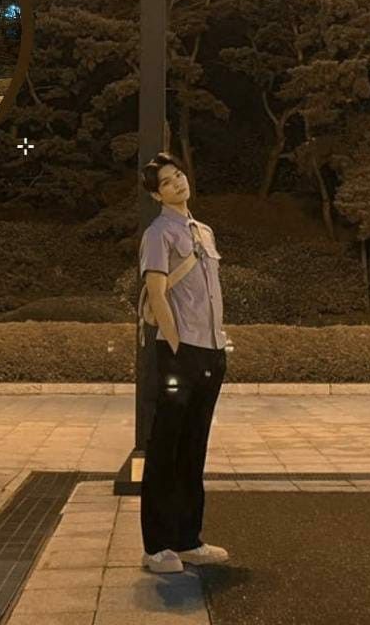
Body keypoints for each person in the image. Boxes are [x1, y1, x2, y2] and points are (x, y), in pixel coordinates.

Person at [139, 152, 229, 575]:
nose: (177, 184)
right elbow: (157, 294)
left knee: (194, 448)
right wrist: (177, 347)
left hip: (211, 351)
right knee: (165, 448)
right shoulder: (158, 233)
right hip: (180, 352)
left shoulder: (205, 231)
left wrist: (220, 343)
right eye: (167, 182)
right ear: (157, 194)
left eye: (179, 176)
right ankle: (157, 547)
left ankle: (188, 539)